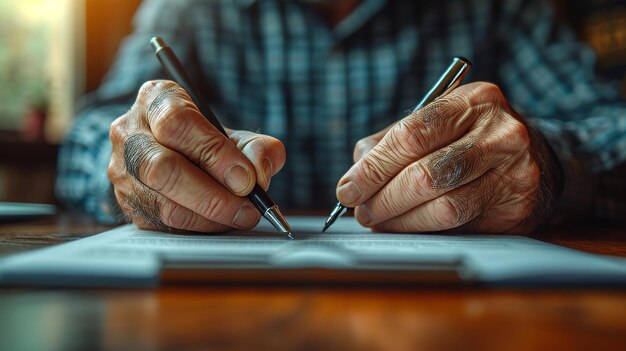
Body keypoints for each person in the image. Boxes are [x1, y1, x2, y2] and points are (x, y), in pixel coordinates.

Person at [57, 0, 626, 234]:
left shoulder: (497, 7)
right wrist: (138, 161)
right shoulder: (189, 8)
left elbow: (613, 128)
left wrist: (546, 166)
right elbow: (96, 131)